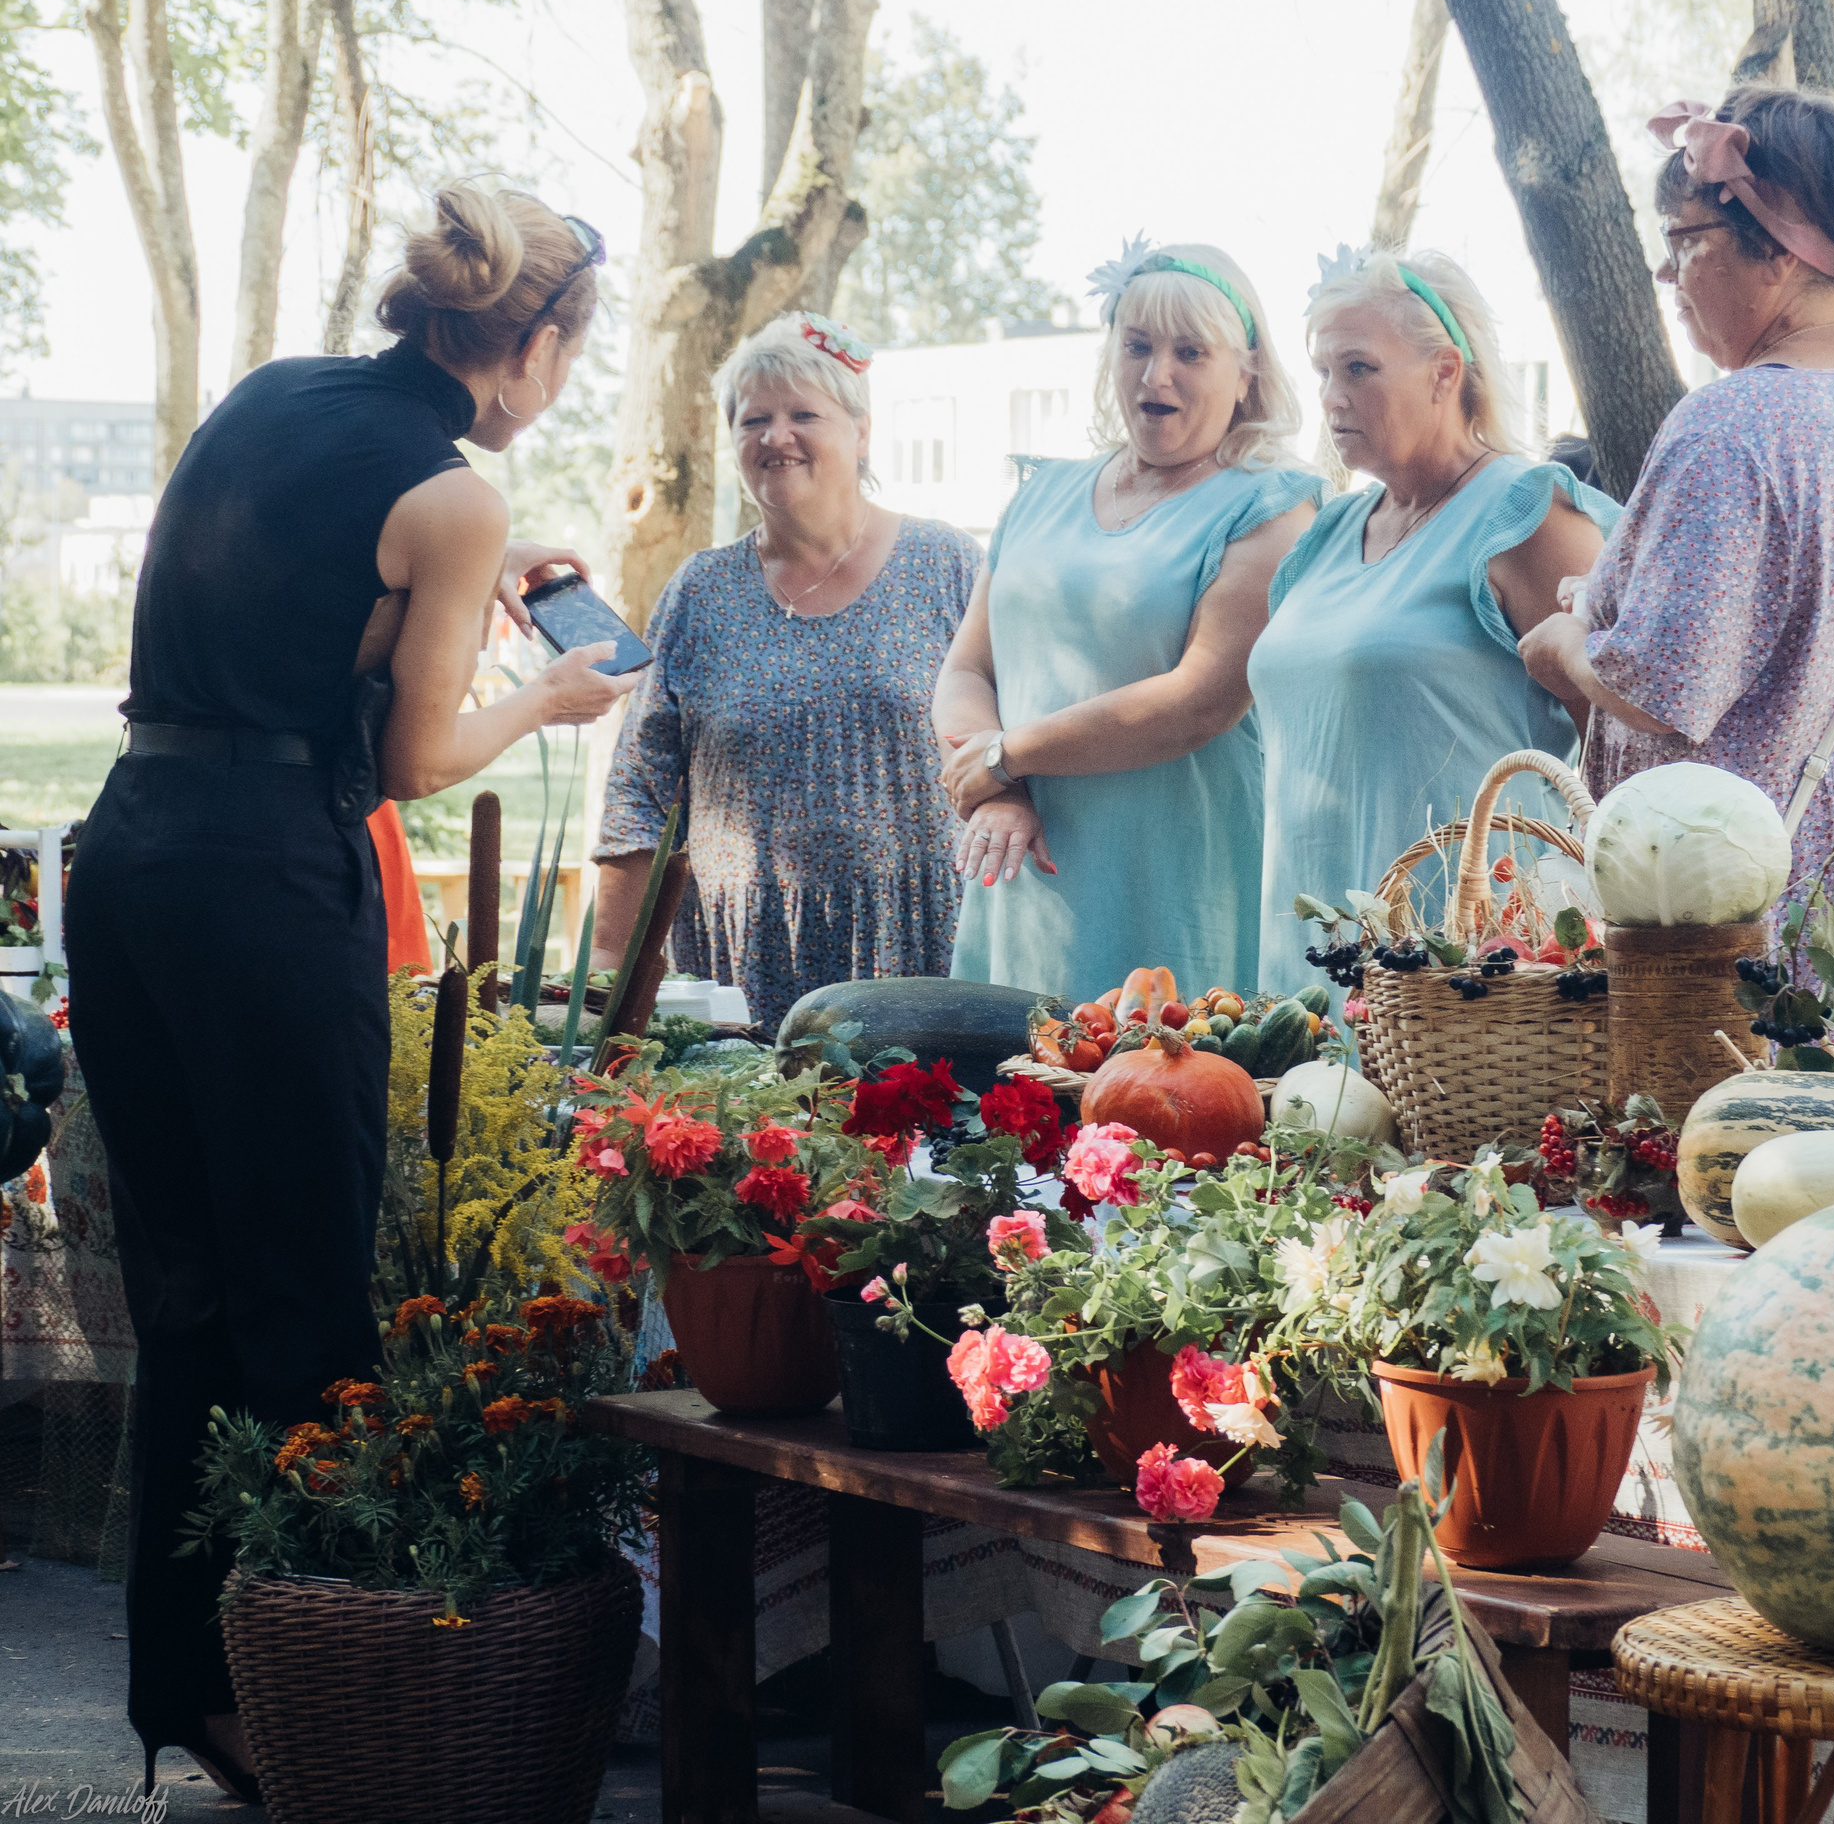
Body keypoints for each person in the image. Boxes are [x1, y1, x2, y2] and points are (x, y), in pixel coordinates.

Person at [63, 185, 633, 1799]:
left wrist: (466, 570)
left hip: (132, 855)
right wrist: (549, 695)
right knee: (306, 1300)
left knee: (184, 1297)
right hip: (264, 880)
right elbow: (411, 759)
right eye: (570, 352)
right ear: (533, 340)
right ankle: (326, 1696)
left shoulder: (276, 394)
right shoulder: (449, 496)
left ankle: (187, 1683)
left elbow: (304, 585)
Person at [1516, 84, 1834, 896]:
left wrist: (1564, 648)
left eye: (1684, 237)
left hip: (1762, 903)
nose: (1665, 268)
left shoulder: (1734, 422)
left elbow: (1658, 687)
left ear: (1780, 244)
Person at [935, 240, 1322, 1002]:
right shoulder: (1039, 494)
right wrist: (998, 793)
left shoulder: (1272, 505)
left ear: (1246, 374)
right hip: (1024, 874)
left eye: (1190, 352)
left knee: (1168, 1102)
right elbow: (967, 670)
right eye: (1138, 346)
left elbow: (1199, 701)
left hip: (1173, 883)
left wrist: (1011, 755)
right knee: (1010, 1103)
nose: (1157, 375)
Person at [592, 313, 980, 1028]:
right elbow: (639, 794)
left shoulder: (947, 564)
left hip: (917, 947)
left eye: (804, 414)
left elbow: (1016, 740)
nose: (776, 436)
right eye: (752, 419)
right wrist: (608, 976)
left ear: (861, 432)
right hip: (742, 962)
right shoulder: (699, 590)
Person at [1249, 247, 1615, 990]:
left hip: (1466, 973)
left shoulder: (1528, 514)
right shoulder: (1324, 533)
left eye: (1358, 368)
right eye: (1322, 373)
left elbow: (1614, 744)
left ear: (1445, 372)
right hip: (1312, 949)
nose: (1331, 397)